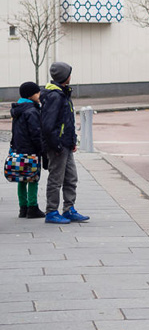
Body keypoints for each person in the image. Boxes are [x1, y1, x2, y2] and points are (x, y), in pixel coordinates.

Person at [39, 61, 89, 224]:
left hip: (66, 144)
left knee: (71, 177)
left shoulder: (63, 93)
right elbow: (48, 125)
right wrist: (56, 145)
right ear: (65, 76)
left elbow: (67, 122)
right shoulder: (55, 96)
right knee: (56, 178)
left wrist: (72, 140)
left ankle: (68, 209)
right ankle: (51, 211)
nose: (70, 76)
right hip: (58, 147)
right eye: (69, 73)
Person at [9, 81, 45, 219]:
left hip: (18, 149)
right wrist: (41, 149)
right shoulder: (32, 111)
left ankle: (22, 208)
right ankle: (33, 207)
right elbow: (35, 133)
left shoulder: (18, 109)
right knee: (33, 178)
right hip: (31, 150)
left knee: (21, 178)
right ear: (31, 95)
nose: (39, 94)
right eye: (37, 92)